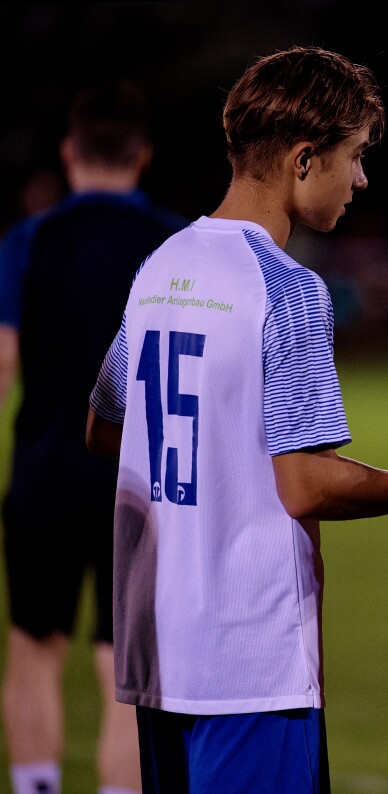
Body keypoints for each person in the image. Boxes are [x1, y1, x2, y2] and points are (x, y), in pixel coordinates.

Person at [84, 46, 388, 793]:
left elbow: (103, 428)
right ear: (304, 159)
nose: (361, 180)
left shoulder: (161, 266)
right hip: (249, 663)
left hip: (158, 648)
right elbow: (307, 485)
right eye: (355, 158)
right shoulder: (286, 289)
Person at [0, 80, 189, 794]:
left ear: (69, 153)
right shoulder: (173, 242)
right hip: (139, 484)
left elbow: (2, 360)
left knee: (33, 652)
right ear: (141, 156)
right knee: (126, 672)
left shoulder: (31, 238)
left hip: (44, 476)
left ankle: (38, 786)